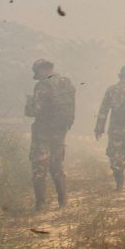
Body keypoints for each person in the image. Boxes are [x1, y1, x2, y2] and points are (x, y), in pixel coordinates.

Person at [24, 59, 75, 210]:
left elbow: (33, 111)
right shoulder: (66, 82)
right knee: (57, 166)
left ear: (39, 71)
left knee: (39, 167)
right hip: (60, 131)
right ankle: (63, 202)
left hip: (43, 132)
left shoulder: (42, 85)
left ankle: (40, 205)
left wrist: (29, 102)